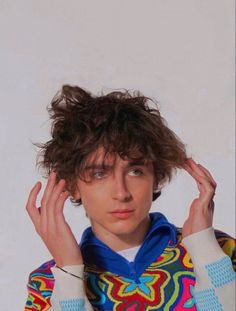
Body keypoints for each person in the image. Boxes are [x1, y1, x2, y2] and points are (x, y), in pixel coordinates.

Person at [25, 85, 235, 311]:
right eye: (99, 174)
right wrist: (68, 274)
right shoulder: (47, 283)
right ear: (73, 185)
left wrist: (204, 249)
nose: (121, 193)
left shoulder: (219, 250)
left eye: (135, 171)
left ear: (156, 176)